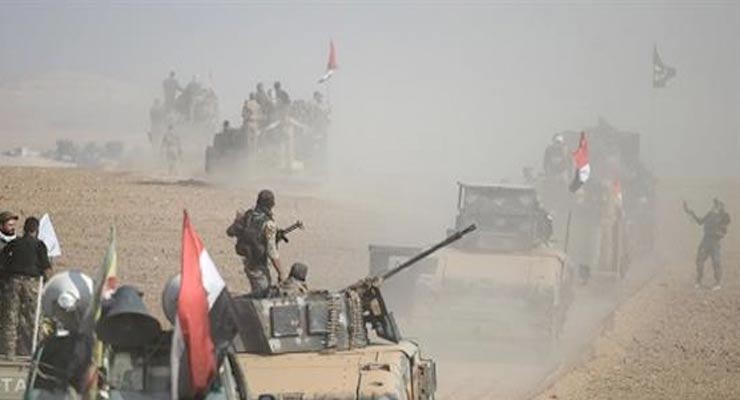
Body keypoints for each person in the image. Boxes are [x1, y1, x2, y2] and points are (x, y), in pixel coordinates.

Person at [0, 217, 51, 358]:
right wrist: (48, 284)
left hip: (13, 283)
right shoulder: (39, 245)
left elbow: (2, 263)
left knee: (11, 317)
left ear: (24, 229)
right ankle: (36, 352)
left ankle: (9, 353)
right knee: (34, 319)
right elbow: (46, 269)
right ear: (36, 230)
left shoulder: (13, 244)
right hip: (31, 283)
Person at [227, 190, 284, 297]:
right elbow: (272, 251)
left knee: (259, 290)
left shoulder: (249, 215)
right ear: (271, 204)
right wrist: (281, 273)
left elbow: (234, 231)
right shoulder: (269, 224)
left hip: (248, 261)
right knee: (262, 295)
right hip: (258, 265)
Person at [684, 198, 731, 290]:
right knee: (699, 260)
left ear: (720, 206)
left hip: (715, 242)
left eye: (716, 204)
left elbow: (724, 229)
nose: (714, 206)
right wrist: (690, 212)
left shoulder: (724, 216)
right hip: (706, 240)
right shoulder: (710, 214)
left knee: (716, 262)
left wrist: (719, 234)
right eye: (714, 204)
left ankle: (717, 283)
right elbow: (699, 221)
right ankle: (698, 281)